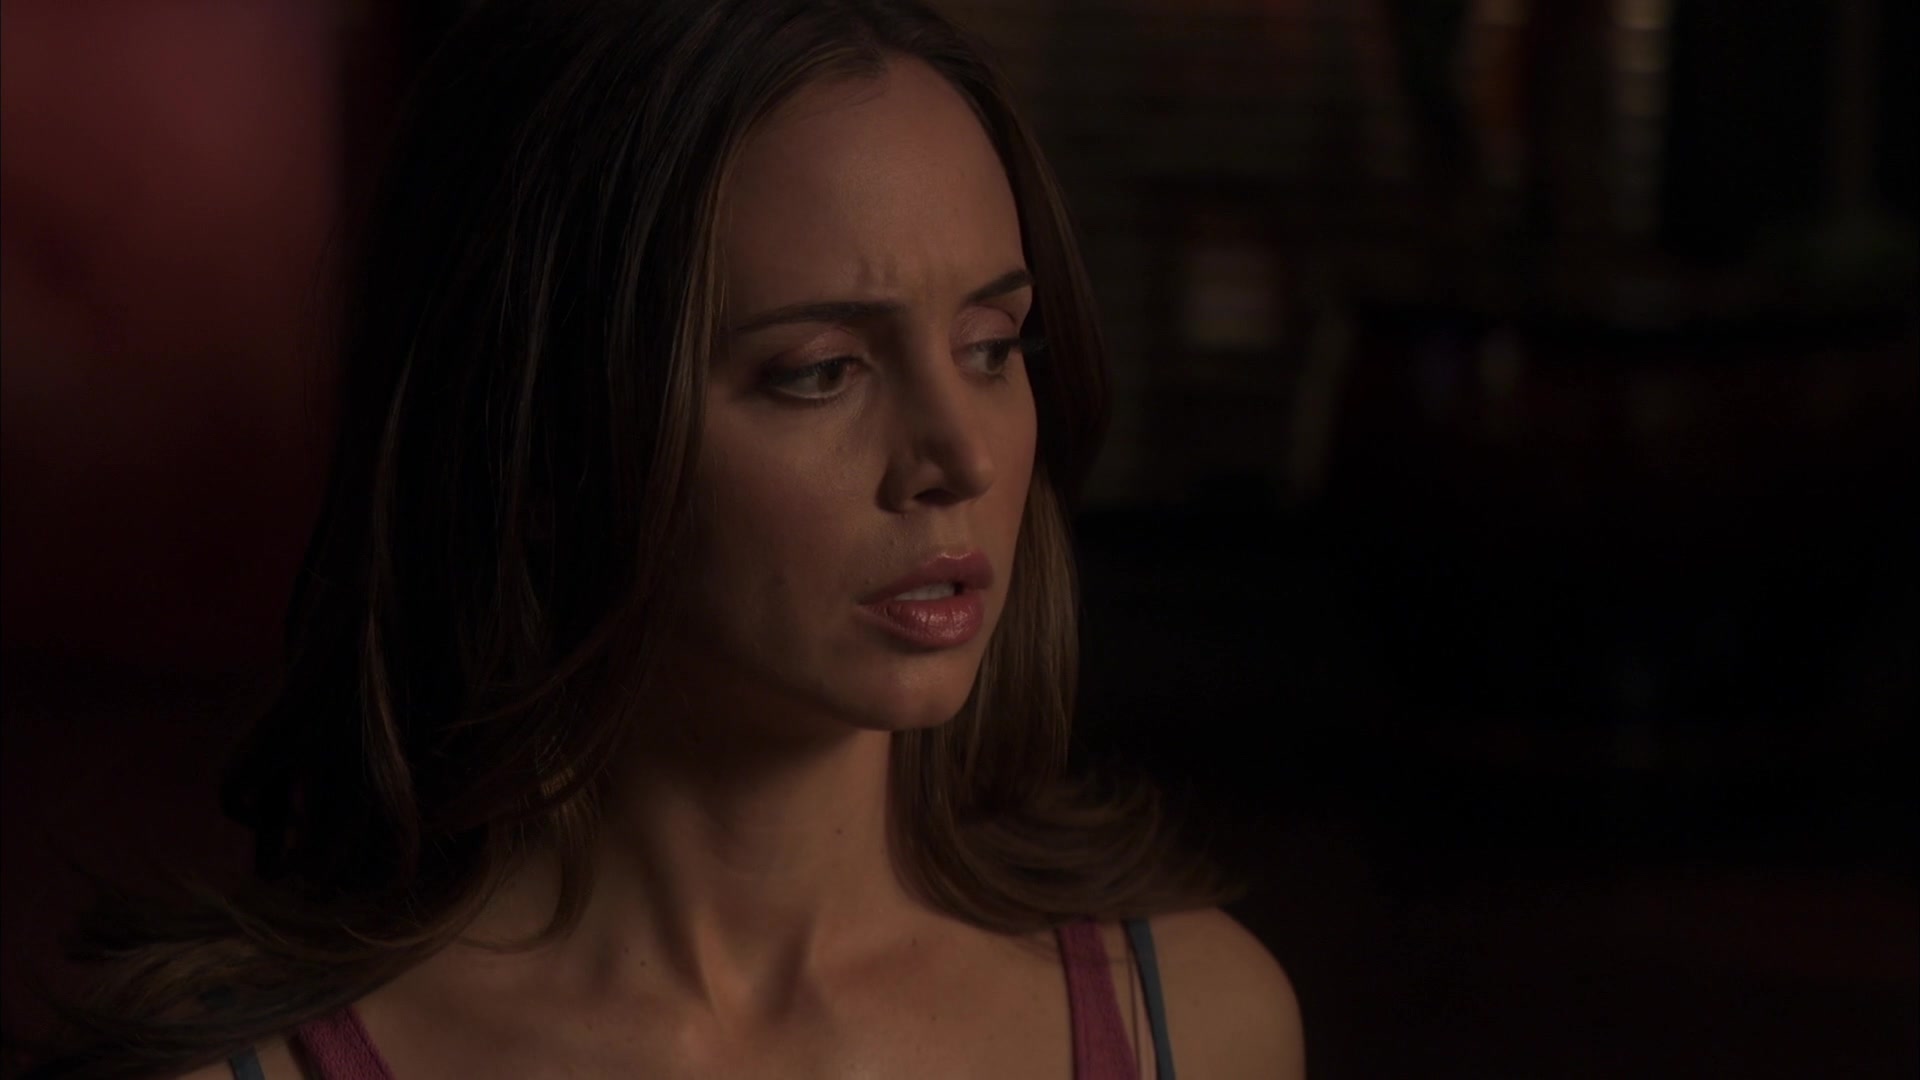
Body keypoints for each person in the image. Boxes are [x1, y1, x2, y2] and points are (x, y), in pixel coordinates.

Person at [28, 1, 1303, 1076]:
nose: (960, 458)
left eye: (992, 347)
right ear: (542, 435)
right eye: (820, 371)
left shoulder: (1199, 1031)